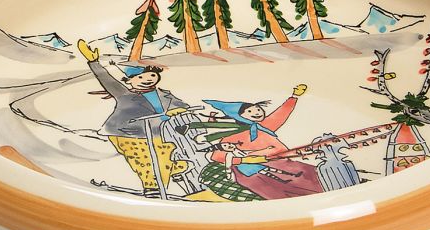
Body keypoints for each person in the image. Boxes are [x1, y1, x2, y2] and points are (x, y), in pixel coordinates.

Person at [77, 39, 189, 198]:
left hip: (158, 133)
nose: (148, 79)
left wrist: (178, 111)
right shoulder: (124, 94)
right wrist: (94, 62)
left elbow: (181, 106)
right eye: (140, 78)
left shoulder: (164, 95)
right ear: (129, 80)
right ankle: (152, 188)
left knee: (166, 154)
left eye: (152, 75)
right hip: (128, 134)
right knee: (145, 160)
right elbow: (106, 80)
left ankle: (172, 170)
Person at [202, 85, 324, 200]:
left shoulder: (263, 126)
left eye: (258, 109)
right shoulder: (231, 136)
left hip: (281, 162)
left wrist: (294, 96)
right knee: (276, 188)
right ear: (238, 116)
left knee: (309, 174)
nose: (257, 112)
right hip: (252, 170)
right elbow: (216, 156)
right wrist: (245, 159)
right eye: (250, 111)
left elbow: (281, 114)